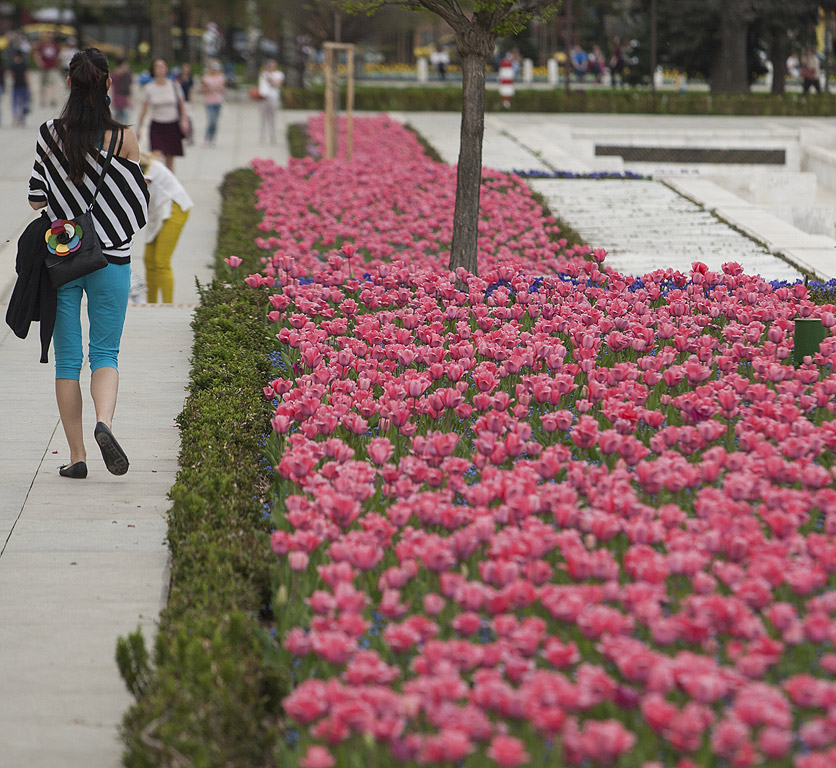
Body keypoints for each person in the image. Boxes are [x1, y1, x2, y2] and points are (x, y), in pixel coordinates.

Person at [27, 47, 149, 479]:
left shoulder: (48, 133)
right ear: (108, 85)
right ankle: (105, 424)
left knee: (67, 362)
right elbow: (136, 202)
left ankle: (77, 457)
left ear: (69, 84)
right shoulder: (124, 138)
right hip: (111, 258)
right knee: (105, 354)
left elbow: (36, 198)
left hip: (64, 258)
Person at [139, 151, 193, 302]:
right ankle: (151, 303)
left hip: (174, 210)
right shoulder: (144, 168)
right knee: (149, 259)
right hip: (158, 213)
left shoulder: (153, 167)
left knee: (161, 261)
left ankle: (167, 304)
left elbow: (141, 185)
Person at [136, 58, 188, 171]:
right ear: (153, 70)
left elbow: (182, 104)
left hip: (172, 125)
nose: (160, 69)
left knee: (170, 160)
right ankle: (156, 183)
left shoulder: (174, 85)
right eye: (157, 66)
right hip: (157, 126)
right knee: (155, 158)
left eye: (162, 66)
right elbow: (144, 110)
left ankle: (170, 185)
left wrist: (184, 120)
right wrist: (139, 128)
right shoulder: (149, 88)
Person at [258, 58, 285, 144]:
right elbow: (261, 86)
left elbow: (277, 84)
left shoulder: (279, 74)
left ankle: (272, 136)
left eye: (272, 65)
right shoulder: (263, 74)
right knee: (263, 119)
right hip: (264, 98)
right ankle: (262, 137)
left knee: (272, 118)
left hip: (274, 97)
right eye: (269, 65)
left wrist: (269, 78)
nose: (270, 67)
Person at [200, 58, 226, 147]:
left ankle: (212, 139)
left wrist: (217, 88)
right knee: (211, 120)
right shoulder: (206, 78)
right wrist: (209, 89)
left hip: (218, 101)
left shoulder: (221, 77)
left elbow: (223, 89)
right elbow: (203, 90)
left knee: (215, 122)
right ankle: (206, 139)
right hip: (209, 102)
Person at [35, 30, 60, 107]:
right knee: (43, 84)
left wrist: (58, 65)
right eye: (48, 36)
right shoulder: (42, 45)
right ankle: (43, 99)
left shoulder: (55, 45)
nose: (50, 38)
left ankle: (52, 99)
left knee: (52, 83)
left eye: (51, 37)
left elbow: (57, 55)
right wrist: (39, 62)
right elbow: (37, 54)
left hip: (52, 67)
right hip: (44, 67)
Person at [11, 50, 31, 127]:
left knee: (17, 103)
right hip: (22, 86)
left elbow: (12, 75)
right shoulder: (24, 65)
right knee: (22, 103)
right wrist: (29, 86)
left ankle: (17, 118)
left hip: (18, 85)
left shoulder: (13, 65)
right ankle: (20, 119)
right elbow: (27, 75)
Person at [176, 62, 194, 144]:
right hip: (179, 101)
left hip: (186, 101)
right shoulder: (178, 78)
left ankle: (189, 136)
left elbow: (191, 90)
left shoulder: (190, 79)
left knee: (188, 119)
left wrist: (191, 101)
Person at [110, 58, 133, 124]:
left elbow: (130, 88)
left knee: (126, 121)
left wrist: (131, 100)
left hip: (125, 101)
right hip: (117, 100)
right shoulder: (114, 75)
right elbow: (111, 89)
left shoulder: (127, 75)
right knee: (117, 121)